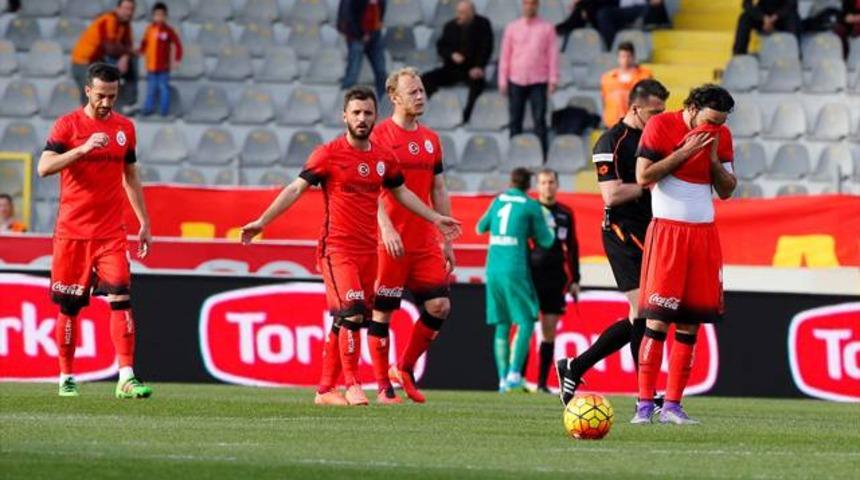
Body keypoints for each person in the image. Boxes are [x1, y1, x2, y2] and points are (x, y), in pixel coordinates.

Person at [239, 86, 461, 407]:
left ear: (375, 117)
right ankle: (353, 384)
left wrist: (435, 217)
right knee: (354, 313)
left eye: (368, 113)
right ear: (344, 116)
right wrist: (262, 222)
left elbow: (401, 193)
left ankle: (325, 390)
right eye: (356, 113)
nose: (361, 118)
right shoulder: (328, 154)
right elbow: (294, 189)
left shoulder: (383, 158)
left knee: (347, 317)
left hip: (369, 252)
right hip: (336, 250)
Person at [38, 63, 153, 399]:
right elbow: (44, 167)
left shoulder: (125, 129)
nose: (106, 102)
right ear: (87, 90)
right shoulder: (68, 125)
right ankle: (66, 376)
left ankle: (126, 376)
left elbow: (130, 176)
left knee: (121, 297)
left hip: (110, 234)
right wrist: (82, 149)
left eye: (112, 96)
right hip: (72, 233)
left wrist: (143, 222)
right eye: (101, 95)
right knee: (70, 308)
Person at [556, 79, 669, 407]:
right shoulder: (611, 140)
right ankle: (644, 395)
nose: (660, 117)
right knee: (646, 311)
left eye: (663, 111)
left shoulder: (655, 137)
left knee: (642, 314)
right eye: (655, 111)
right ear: (635, 108)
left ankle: (575, 367)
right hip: (622, 230)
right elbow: (613, 194)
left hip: (649, 228)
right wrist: (651, 180)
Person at [631, 84, 737, 424]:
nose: (714, 128)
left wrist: (711, 158)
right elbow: (643, 176)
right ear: (691, 108)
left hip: (703, 236)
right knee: (656, 319)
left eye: (720, 122)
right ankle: (645, 405)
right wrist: (684, 152)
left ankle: (673, 406)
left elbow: (727, 191)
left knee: (691, 324)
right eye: (709, 120)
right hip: (667, 234)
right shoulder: (660, 126)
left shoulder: (721, 136)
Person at [370, 68, 456, 404]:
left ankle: (403, 367)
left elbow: (439, 188)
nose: (420, 97)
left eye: (421, 91)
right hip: (390, 241)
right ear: (394, 97)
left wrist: (446, 238)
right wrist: (386, 226)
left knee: (440, 306)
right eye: (413, 92)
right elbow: (371, 188)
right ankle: (381, 387)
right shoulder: (379, 137)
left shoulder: (431, 140)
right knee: (383, 312)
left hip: (423, 241)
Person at [477, 167, 555, 392]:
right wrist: (542, 226)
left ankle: (501, 380)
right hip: (515, 269)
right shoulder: (531, 206)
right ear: (528, 185)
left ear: (511, 182)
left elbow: (480, 227)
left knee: (501, 325)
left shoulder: (498, 200)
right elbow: (547, 241)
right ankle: (513, 373)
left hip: (492, 269)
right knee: (526, 321)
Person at [528, 169, 580, 394]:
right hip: (530, 278)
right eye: (543, 182)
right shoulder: (529, 211)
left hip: (555, 278)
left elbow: (573, 247)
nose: (547, 186)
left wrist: (576, 279)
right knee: (525, 328)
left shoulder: (565, 213)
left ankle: (541, 384)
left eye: (551, 182)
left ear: (557, 185)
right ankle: (516, 380)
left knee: (549, 331)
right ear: (537, 187)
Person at [498, 0, 558, 156]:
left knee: (540, 121)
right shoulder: (512, 28)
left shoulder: (547, 28)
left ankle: (542, 156)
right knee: (514, 121)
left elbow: (553, 55)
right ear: (522, 5)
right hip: (516, 79)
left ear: (537, 6)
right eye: (526, 3)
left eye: (532, 3)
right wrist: (502, 79)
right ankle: (514, 154)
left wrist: (553, 78)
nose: (529, 6)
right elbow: (505, 55)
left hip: (539, 80)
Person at [421, 0, 493, 124]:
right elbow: (441, 47)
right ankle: (438, 105)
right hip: (452, 68)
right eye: (458, 12)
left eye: (463, 13)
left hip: (472, 68)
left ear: (471, 13)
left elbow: (487, 48)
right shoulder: (450, 26)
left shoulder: (483, 24)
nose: (459, 15)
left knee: (477, 84)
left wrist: (479, 67)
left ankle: (467, 116)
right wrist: (451, 54)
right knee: (424, 79)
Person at [71, 0, 138, 112]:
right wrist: (126, 53)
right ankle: (88, 123)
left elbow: (128, 46)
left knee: (131, 61)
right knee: (91, 96)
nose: (128, 12)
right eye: (126, 8)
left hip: (98, 62)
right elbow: (110, 48)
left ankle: (129, 102)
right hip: (84, 62)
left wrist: (125, 56)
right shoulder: (109, 19)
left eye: (131, 9)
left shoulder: (125, 25)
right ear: (118, 9)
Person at [337, 0, 388, 100]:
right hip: (357, 36)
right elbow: (348, 16)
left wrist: (375, 29)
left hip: (375, 35)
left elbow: (381, 10)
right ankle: (344, 103)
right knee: (352, 74)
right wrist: (360, 34)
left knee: (381, 71)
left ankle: (384, 102)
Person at [139, 2, 182, 117]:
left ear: (165, 16)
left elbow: (177, 44)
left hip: (164, 67)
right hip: (151, 66)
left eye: (162, 15)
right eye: (157, 15)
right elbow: (144, 44)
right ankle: (148, 109)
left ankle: (164, 111)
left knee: (163, 89)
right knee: (151, 89)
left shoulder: (168, 31)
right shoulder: (149, 29)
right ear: (153, 16)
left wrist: (177, 59)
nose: (159, 17)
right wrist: (138, 52)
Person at [600, 42, 652, 128]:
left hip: (636, 123)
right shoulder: (608, 78)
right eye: (622, 56)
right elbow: (604, 100)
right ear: (618, 58)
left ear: (633, 57)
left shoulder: (644, 75)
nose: (625, 60)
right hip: (612, 123)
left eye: (628, 56)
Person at [732, 0, 801, 55]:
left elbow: (792, 4)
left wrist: (775, 17)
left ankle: (795, 55)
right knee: (744, 18)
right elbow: (746, 4)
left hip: (782, 17)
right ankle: (739, 54)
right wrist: (763, 17)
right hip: (764, 16)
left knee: (792, 18)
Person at [595, 0, 667, 49]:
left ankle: (639, 21)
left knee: (648, 9)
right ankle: (614, 47)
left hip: (644, 8)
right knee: (603, 14)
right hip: (622, 11)